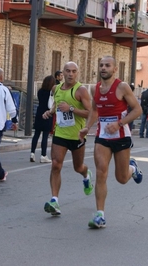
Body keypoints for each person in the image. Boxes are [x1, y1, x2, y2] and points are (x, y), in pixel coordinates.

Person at [79, 56, 143, 228]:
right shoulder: (95, 88)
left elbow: (138, 110)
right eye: (101, 65)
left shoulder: (122, 87)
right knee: (101, 172)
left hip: (121, 136)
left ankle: (133, 168)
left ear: (115, 69)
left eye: (107, 65)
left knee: (121, 178)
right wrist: (87, 127)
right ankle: (100, 215)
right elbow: (94, 109)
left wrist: (119, 123)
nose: (103, 68)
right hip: (103, 137)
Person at [42, 61, 92, 216]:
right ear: (62, 73)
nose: (70, 74)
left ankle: (86, 175)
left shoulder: (81, 90)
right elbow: (57, 105)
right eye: (68, 71)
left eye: (74, 71)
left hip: (77, 135)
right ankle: (54, 200)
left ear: (77, 73)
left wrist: (71, 108)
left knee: (79, 167)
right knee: (56, 165)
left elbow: (91, 113)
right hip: (60, 134)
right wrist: (49, 112)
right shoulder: (56, 88)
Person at [30, 75, 55, 163]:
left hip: (39, 113)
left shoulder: (40, 91)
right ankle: (43, 155)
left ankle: (32, 153)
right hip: (47, 113)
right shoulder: (51, 93)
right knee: (45, 135)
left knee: (36, 134)